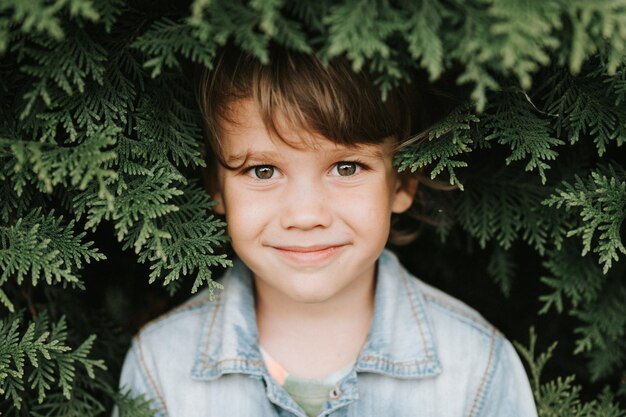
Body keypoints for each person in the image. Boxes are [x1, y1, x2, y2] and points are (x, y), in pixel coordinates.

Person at [114, 46, 538, 417]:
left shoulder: (475, 366)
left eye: (346, 167)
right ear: (216, 185)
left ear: (404, 181)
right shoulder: (161, 366)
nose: (304, 215)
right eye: (263, 171)